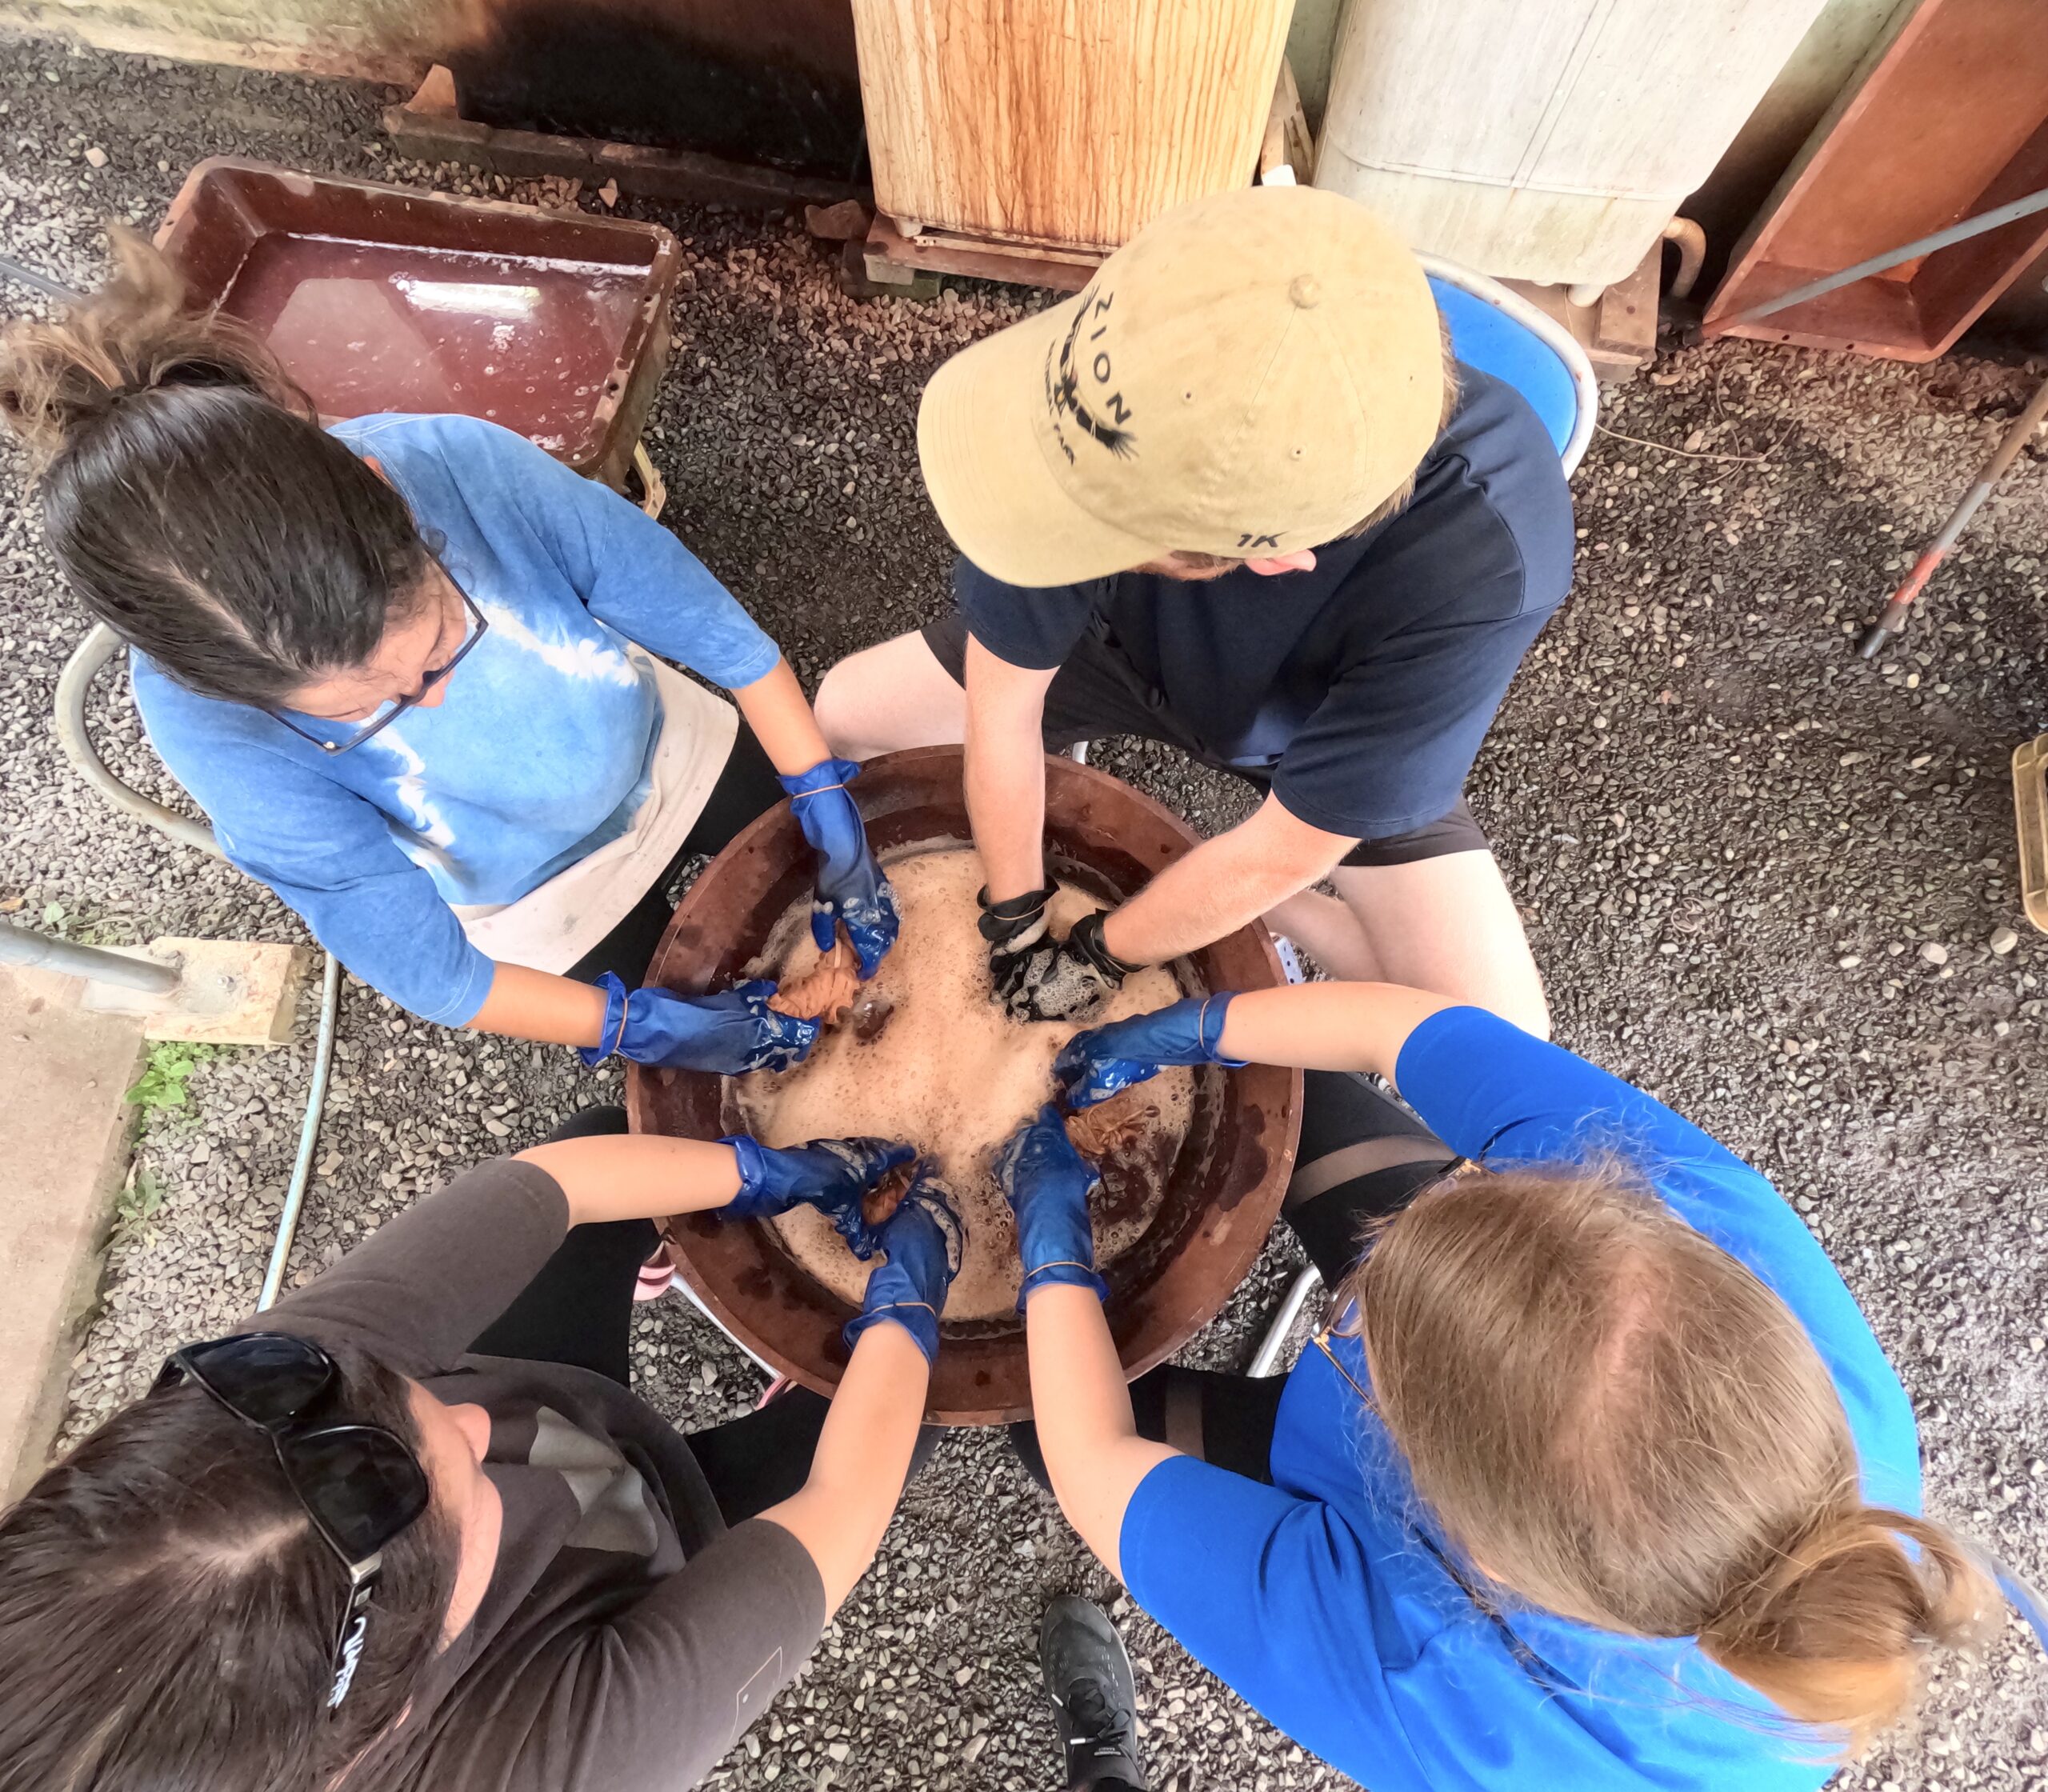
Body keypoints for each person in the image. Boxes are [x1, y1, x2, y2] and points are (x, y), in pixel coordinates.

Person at [993, 981, 2002, 1792]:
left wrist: (1048, 1246)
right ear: (1613, 1215)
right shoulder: (1719, 1240)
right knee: (1291, 1091)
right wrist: (1203, 1023)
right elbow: (1410, 1028)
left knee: (1042, 1418)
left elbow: (1095, 1465)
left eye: (1363, 1345)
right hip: (1520, 1375)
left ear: (1471, 1543)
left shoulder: (1445, 1690)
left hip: (1421, 1563)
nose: (1348, 1311)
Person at [0, 232, 896, 1076]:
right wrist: (633, 1024)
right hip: (532, 900)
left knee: (803, 874)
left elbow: (722, 640)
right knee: (709, 1018)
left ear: (389, 493)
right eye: (362, 710)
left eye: (435, 650)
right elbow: (439, 975)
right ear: (216, 687)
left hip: (671, 750)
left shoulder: (460, 467)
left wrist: (818, 790)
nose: (425, 701)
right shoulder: (205, 719)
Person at [0, 1106, 964, 1792]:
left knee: (604, 1136)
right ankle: (806, 1386)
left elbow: (552, 1184)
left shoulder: (260, 1403)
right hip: (647, 1564)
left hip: (559, 1395)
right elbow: (841, 1505)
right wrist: (913, 1294)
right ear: (396, 1711)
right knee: (900, 1414)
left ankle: (667, 1272)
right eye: (453, 1482)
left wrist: (769, 1172)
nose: (468, 1421)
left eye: (391, 1398)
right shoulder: (549, 1757)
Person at [814, 186, 1572, 1038]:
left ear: (1272, 557)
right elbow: (1005, 705)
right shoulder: (1142, 357)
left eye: (1107, 533)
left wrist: (1106, 947)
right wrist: (1014, 908)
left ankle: (1237, 906)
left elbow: (1295, 843)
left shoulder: (1490, 557)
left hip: (1315, 730)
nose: (1066, 522)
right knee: (847, 715)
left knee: (1498, 1035)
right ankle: (1193, 883)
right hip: (1110, 647)